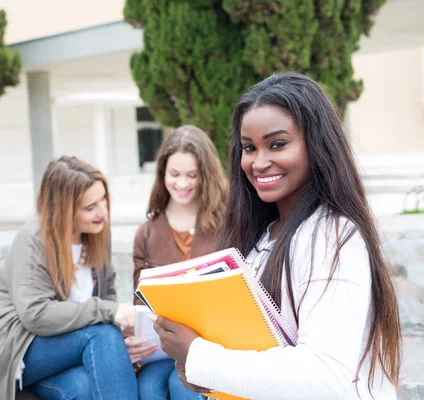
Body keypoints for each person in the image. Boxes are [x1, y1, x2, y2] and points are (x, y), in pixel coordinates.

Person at [153, 72, 402, 399]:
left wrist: (201, 358)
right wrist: (198, 371)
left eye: (278, 144)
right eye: (248, 148)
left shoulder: (332, 236)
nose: (259, 162)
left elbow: (326, 375)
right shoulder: (257, 238)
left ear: (316, 145)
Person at [0, 156, 138, 400]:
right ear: (64, 210)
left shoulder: (96, 232)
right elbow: (35, 314)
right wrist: (107, 313)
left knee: (82, 386)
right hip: (17, 347)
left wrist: (124, 341)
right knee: (102, 334)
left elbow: (107, 293)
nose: (103, 211)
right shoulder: (34, 239)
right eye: (90, 207)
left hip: (65, 345)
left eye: (103, 199)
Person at [129, 125, 228, 400]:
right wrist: (133, 341)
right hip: (164, 349)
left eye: (191, 175)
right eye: (174, 174)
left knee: (183, 386)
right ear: (162, 174)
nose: (182, 184)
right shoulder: (146, 234)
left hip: (213, 345)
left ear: (205, 176)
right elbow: (139, 305)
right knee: (149, 388)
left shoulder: (227, 223)